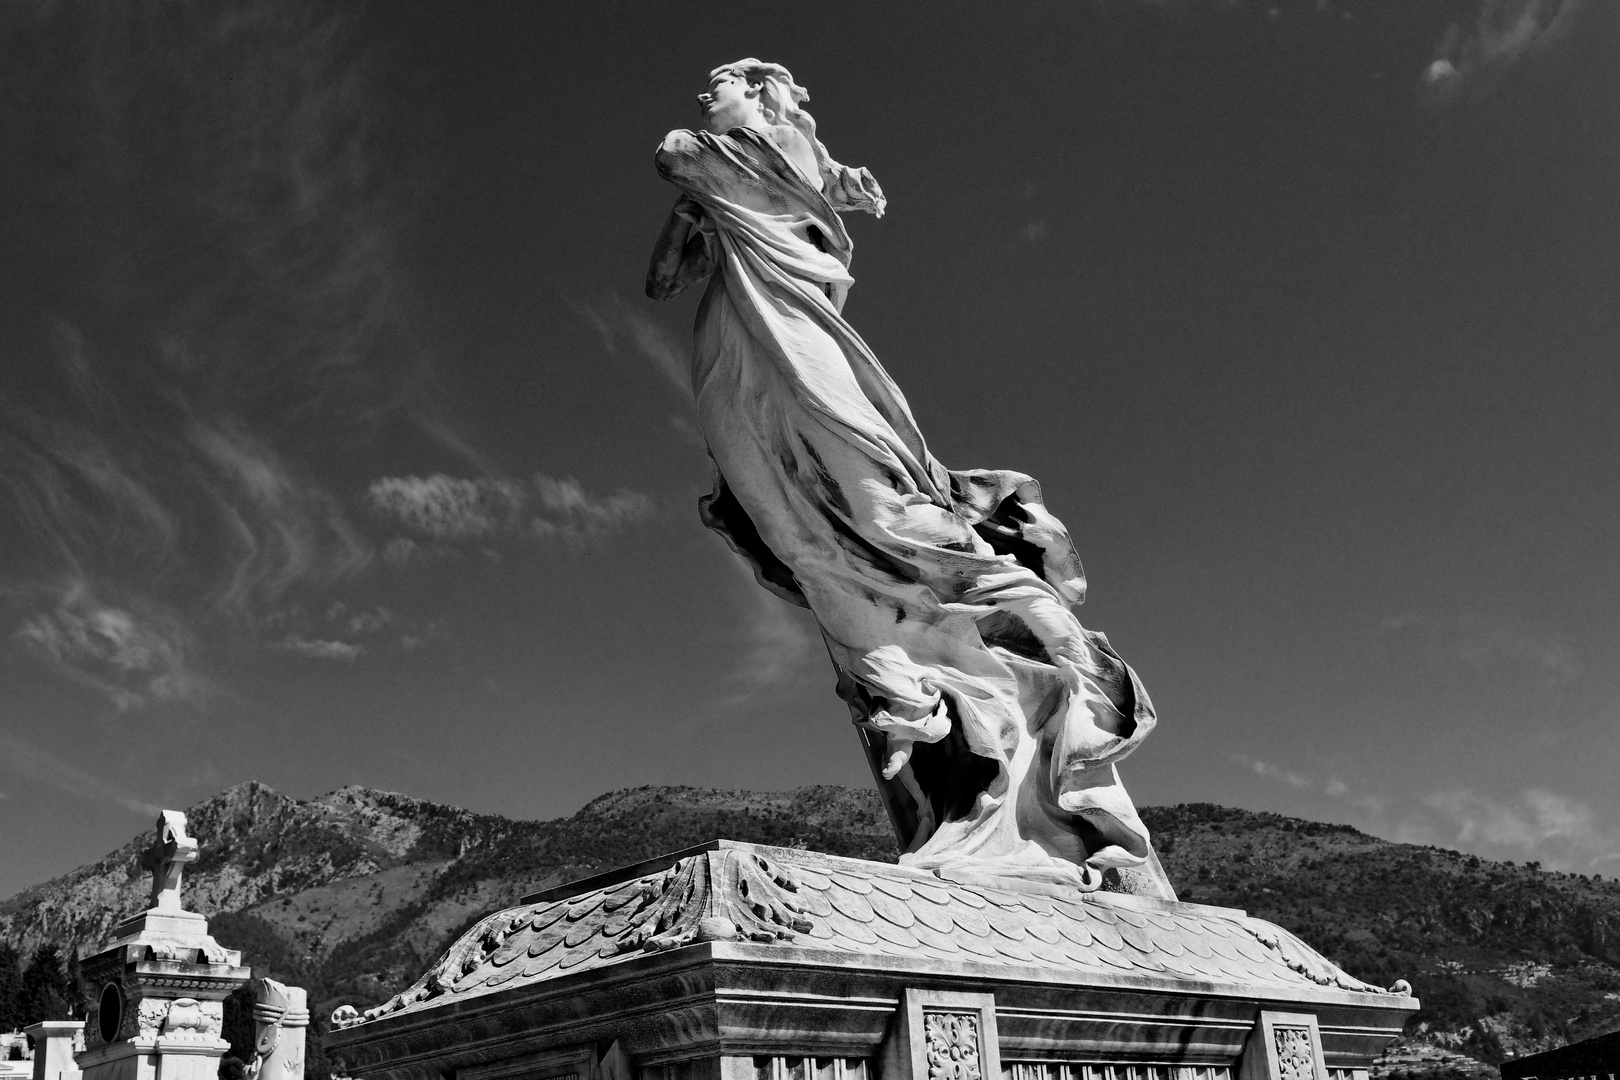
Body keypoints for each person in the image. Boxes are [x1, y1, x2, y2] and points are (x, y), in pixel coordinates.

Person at [648, 60, 1162, 887]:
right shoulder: (754, 171)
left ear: (766, 93)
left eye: (722, 85)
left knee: (884, 517)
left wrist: (725, 187)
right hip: (730, 351)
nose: (707, 96)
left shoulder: (762, 151)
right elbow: (662, 278)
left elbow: (681, 153)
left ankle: (1053, 646)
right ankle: (923, 714)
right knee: (800, 547)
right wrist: (700, 215)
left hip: (795, 342)